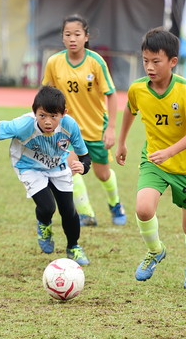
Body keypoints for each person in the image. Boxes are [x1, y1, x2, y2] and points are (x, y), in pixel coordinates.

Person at [116, 27, 186, 291]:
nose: (149, 67)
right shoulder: (138, 89)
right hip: (153, 161)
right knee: (143, 208)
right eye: (145, 60)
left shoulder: (185, 91)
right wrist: (121, 142)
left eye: (156, 61)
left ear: (172, 62)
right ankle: (155, 250)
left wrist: (170, 151)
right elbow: (129, 110)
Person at [0, 85, 91, 266]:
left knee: (68, 210)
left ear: (63, 113)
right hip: (28, 165)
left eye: (53, 116)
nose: (48, 121)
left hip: (57, 164)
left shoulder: (70, 125)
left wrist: (83, 166)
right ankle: (44, 225)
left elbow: (85, 155)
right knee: (47, 207)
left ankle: (73, 247)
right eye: (42, 115)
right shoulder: (24, 125)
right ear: (35, 112)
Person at [42, 14, 126, 227]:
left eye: (77, 34)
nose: (72, 38)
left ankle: (115, 204)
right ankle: (86, 213)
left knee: (103, 174)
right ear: (62, 37)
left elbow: (112, 94)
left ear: (86, 36)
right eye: (67, 34)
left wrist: (112, 128)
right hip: (66, 130)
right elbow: (45, 93)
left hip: (95, 128)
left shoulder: (95, 62)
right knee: (70, 168)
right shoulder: (54, 62)